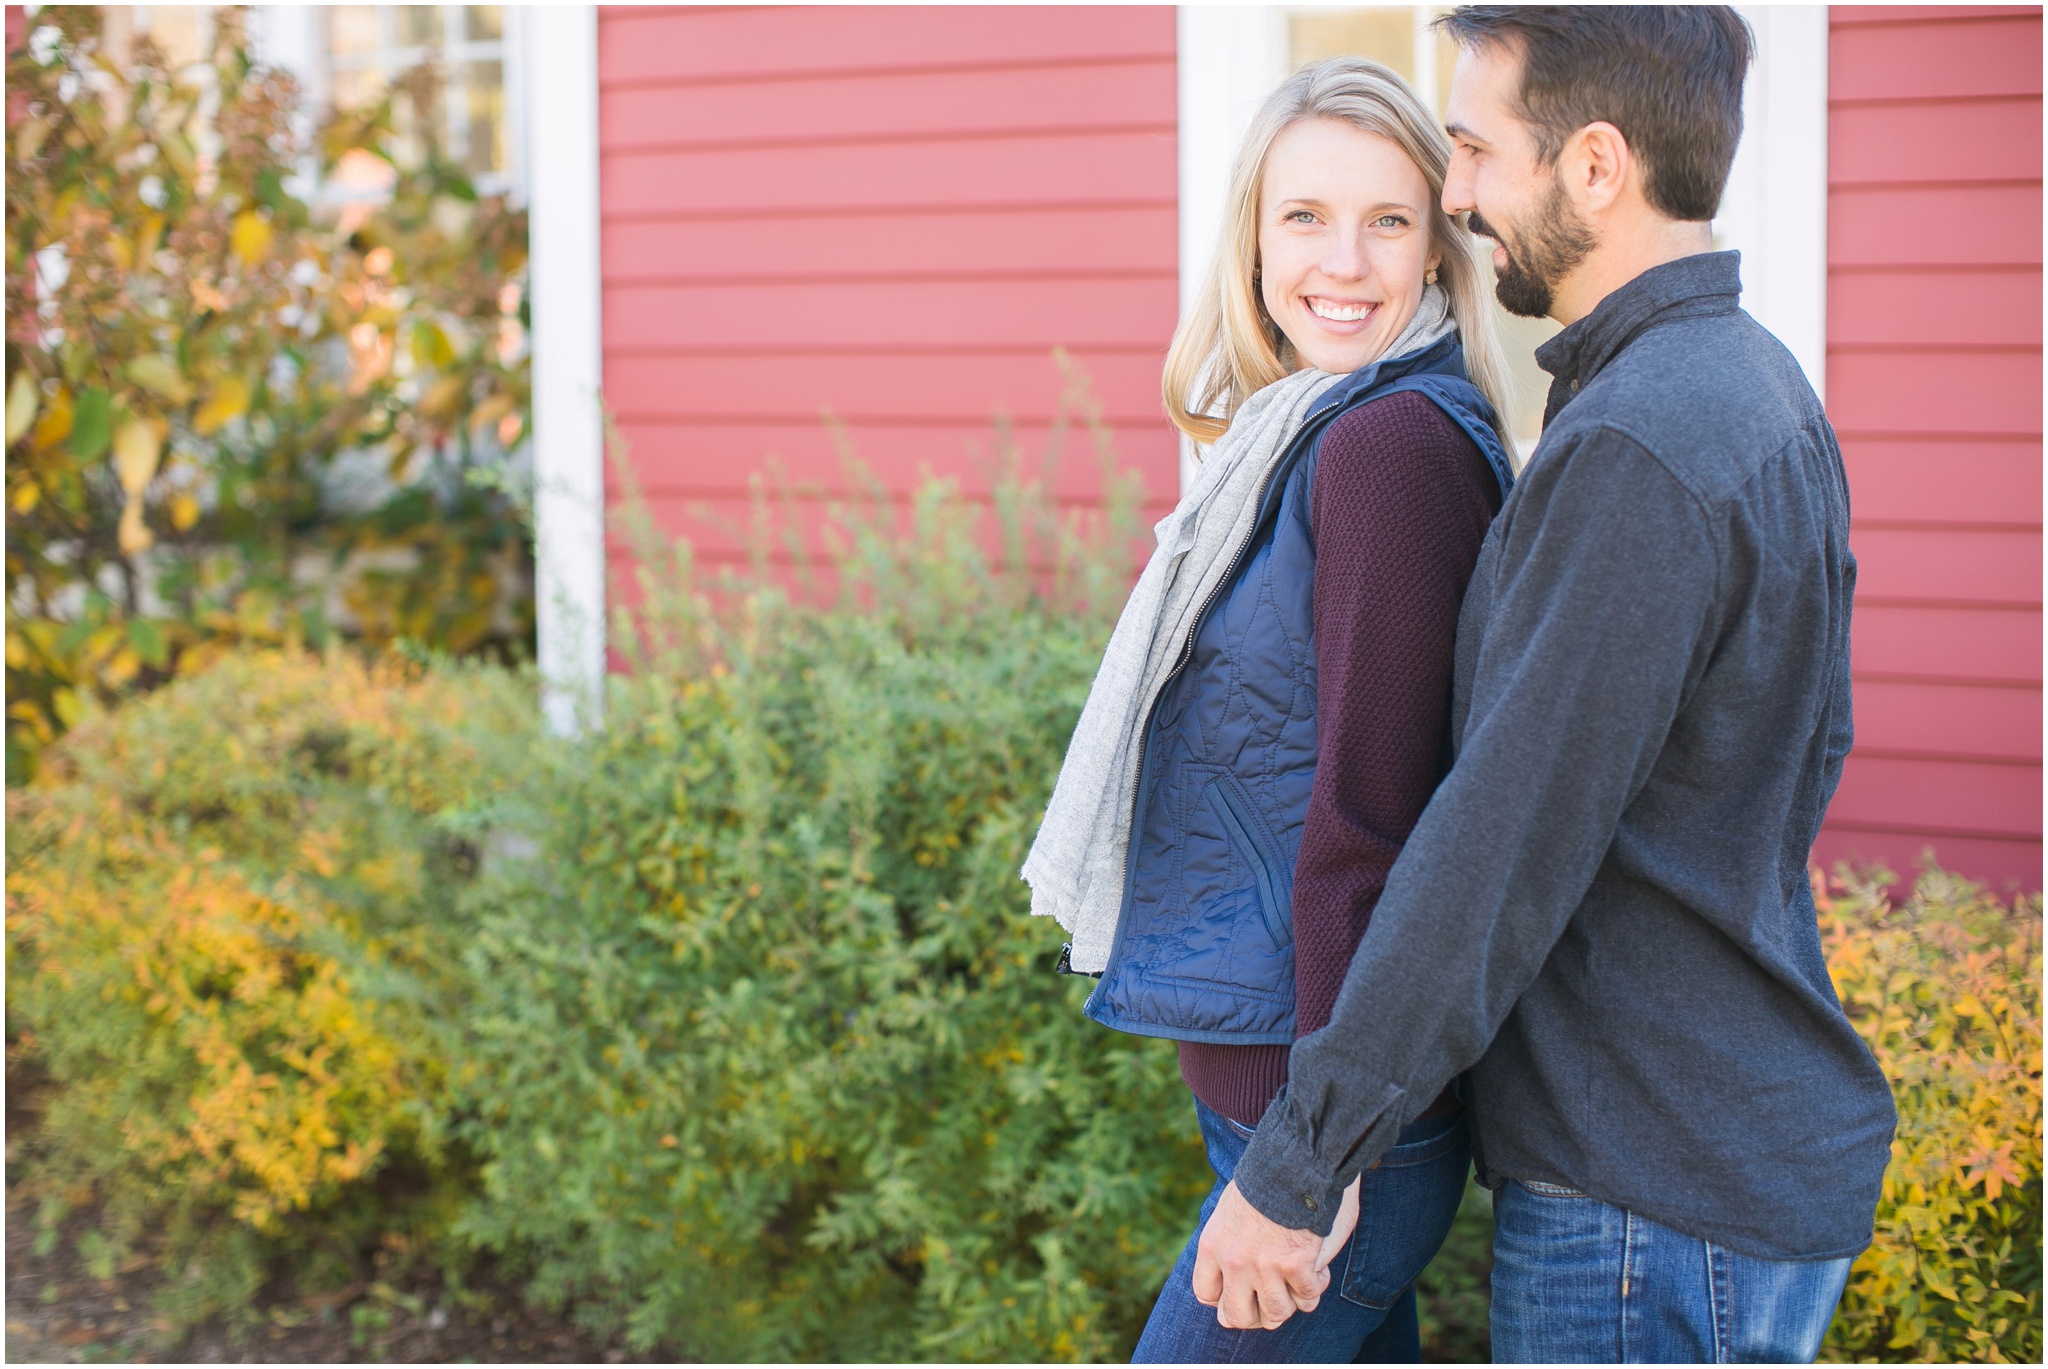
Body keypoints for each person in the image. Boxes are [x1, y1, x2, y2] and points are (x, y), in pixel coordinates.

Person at [1190, 7, 1899, 1363]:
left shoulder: (1640, 439)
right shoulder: (1749, 387)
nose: (1455, 198)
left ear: (1592, 166)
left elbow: (1495, 847)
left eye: (1471, 150)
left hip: (1648, 1191)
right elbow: (1798, 758)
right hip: (1713, 1169)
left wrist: (1300, 1159)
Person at [1020, 57, 1517, 1362]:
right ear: (1251, 233)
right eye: (1305, 217)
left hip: (1331, 1128)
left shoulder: (1386, 451)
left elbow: (1379, 820)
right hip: (1295, 1106)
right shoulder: (1293, 435)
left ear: (1436, 249)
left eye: (1389, 221)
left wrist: (1312, 1155)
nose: (1342, 262)